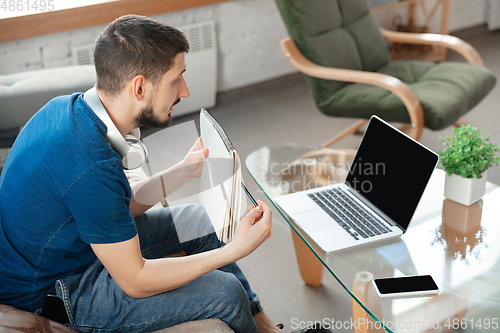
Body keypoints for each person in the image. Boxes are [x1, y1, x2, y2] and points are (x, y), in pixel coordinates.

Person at [0, 14, 284, 333]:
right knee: (225, 292)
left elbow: (111, 207)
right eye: (177, 79)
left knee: (199, 222)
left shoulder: (68, 108)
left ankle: (266, 327)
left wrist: (183, 171)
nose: (185, 91)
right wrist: (234, 251)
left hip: (76, 246)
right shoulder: (90, 162)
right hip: (54, 290)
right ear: (139, 86)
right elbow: (135, 280)